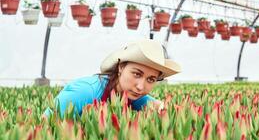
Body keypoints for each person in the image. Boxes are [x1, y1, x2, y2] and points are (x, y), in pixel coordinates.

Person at [43, 39, 181, 118]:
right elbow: (45, 123)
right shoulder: (85, 91)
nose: (140, 86)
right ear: (121, 67)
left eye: (150, 79)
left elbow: (163, 108)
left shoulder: (135, 97)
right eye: (137, 74)